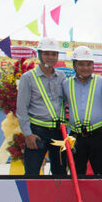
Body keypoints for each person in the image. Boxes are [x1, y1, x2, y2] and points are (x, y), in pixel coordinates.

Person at [16, 37, 67, 176]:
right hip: (37, 131)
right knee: (32, 172)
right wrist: (28, 134)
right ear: (39, 55)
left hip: (58, 131)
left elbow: (66, 102)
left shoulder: (62, 76)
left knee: (61, 172)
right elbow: (21, 109)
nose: (50, 57)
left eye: (54, 54)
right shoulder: (28, 78)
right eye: (46, 54)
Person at [62, 46, 102, 175]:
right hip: (76, 136)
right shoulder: (66, 84)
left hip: (98, 135)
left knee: (101, 173)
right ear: (74, 65)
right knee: (76, 173)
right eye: (81, 64)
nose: (85, 68)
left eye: (89, 64)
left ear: (93, 65)